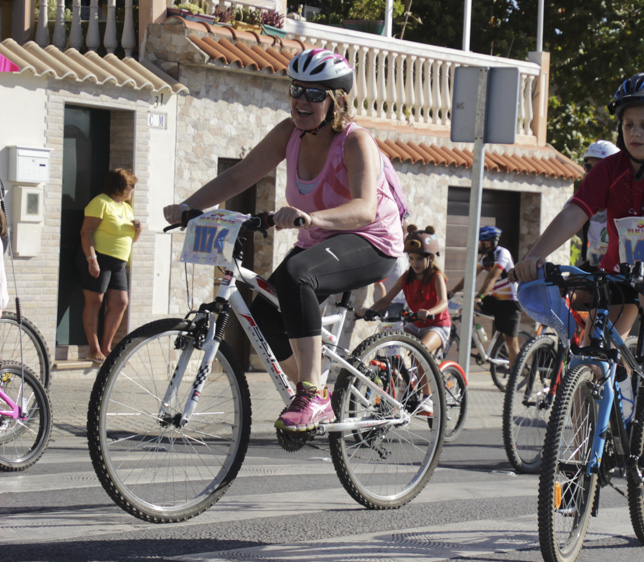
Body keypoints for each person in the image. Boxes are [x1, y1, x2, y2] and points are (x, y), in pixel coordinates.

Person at [162, 48, 404, 432]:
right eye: (296, 89)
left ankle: (314, 393)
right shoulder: (288, 134)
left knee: (296, 274)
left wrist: (312, 217)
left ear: (336, 100)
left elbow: (363, 209)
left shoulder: (356, 142)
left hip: (371, 241)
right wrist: (188, 206)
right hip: (320, 239)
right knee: (263, 317)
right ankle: (310, 392)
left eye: (313, 94)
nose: (300, 101)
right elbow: (240, 175)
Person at [512, 72, 644, 419]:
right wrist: (535, 256)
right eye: (629, 125)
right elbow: (574, 214)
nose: (635, 133)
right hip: (618, 270)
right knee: (591, 355)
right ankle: (588, 453)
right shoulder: (610, 169)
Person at [363, 225, 448, 415]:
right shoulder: (407, 277)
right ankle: (403, 383)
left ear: (430, 258)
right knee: (389, 343)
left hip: (437, 325)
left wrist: (429, 311)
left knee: (419, 353)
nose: (414, 263)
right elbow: (387, 299)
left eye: (419, 258)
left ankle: (427, 399)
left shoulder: (436, 276)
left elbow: (443, 302)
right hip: (414, 324)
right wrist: (371, 310)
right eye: (411, 258)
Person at [79, 168, 141, 363]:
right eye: (131, 186)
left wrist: (138, 230)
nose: (132, 190)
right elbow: (85, 232)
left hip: (119, 263)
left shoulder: (126, 207)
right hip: (100, 258)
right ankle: (93, 348)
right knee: (95, 302)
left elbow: (131, 239)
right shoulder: (100, 203)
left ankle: (107, 347)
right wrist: (92, 259)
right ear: (121, 186)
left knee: (121, 302)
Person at [449, 225, 523, 366]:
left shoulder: (503, 253)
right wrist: (453, 290)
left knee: (511, 343)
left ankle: (514, 378)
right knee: (469, 306)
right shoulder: (485, 258)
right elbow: (470, 276)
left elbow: (492, 277)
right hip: (496, 299)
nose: (475, 245)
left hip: (511, 302)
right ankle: (477, 341)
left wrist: (480, 296)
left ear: (487, 243)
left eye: (479, 242)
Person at [579, 140, 620, 268]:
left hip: (622, 270)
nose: (593, 174)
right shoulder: (582, 199)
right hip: (594, 267)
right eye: (588, 167)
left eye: (600, 168)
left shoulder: (625, 202)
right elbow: (563, 224)